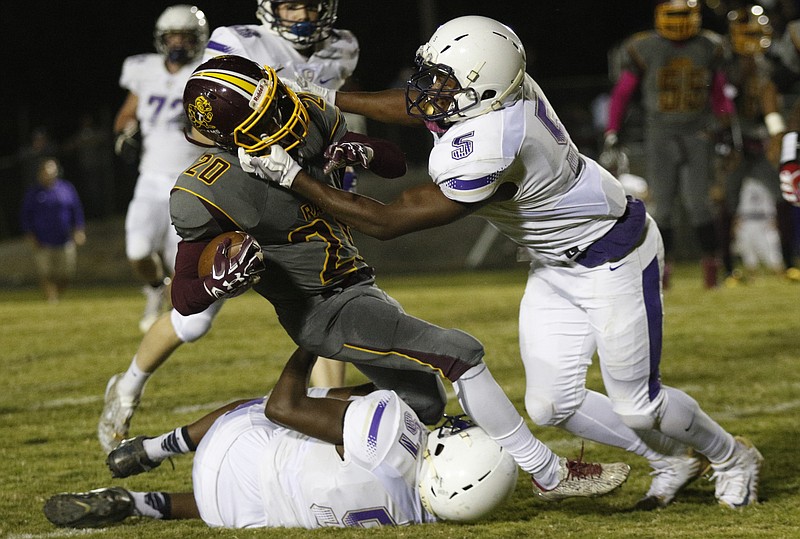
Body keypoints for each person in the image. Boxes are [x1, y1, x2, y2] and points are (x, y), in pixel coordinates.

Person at [258, 15, 764, 509]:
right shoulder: (499, 88)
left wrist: (295, 179)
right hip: (554, 262)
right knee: (552, 405)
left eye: (442, 79)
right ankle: (671, 460)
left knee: (639, 405)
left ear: (480, 91)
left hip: (612, 257)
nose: (428, 88)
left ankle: (732, 456)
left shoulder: (494, 141)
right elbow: (424, 107)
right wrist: (329, 97)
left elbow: (390, 220)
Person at [151, 54, 630, 502]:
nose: (286, 117)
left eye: (278, 100)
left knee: (422, 403)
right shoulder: (207, 189)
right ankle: (549, 473)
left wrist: (361, 152)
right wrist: (219, 282)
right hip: (324, 309)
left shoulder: (305, 118)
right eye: (268, 118)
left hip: (359, 285)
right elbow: (184, 296)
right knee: (461, 353)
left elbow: (393, 163)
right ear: (230, 137)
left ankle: (285, 411)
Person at [98, 2, 359, 451]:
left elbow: (338, 112)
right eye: (292, 5)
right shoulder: (240, 41)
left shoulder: (343, 47)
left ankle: (323, 416)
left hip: (305, 193)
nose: (303, 15)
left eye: (311, 4)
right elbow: (210, 111)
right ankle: (126, 388)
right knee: (193, 320)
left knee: (327, 309)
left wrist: (344, 151)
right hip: (242, 189)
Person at [44, 348, 519, 529]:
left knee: (267, 412)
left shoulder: (396, 433)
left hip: (232, 450)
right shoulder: (425, 517)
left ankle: (158, 447)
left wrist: (311, 341)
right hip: (231, 516)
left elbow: (282, 406)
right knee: (273, 491)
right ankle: (142, 503)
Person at [603, 0, 734, 289]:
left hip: (698, 133)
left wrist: (727, 128)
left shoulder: (710, 46)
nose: (679, 20)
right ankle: (662, 271)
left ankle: (712, 270)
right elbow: (623, 92)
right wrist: (612, 127)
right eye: (673, 14)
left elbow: (719, 93)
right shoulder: (644, 46)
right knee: (662, 207)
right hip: (661, 134)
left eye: (684, 13)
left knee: (699, 205)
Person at [112, 4, 210, 334]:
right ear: (161, 40)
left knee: (179, 261)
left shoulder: (206, 71)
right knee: (138, 251)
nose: (178, 43)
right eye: (172, 36)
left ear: (199, 39)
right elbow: (125, 117)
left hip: (191, 182)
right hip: (151, 179)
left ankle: (174, 323)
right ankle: (155, 288)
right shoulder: (146, 70)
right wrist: (128, 132)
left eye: (185, 36)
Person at [719, 5, 796, 287]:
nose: (751, 39)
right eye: (745, 33)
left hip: (765, 141)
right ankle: (727, 268)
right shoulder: (724, 63)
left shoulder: (776, 62)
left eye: (755, 33)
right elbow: (720, 102)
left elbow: (780, 98)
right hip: (736, 144)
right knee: (726, 204)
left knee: (783, 199)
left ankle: (789, 263)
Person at [19, 157, 86, 303]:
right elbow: (25, 216)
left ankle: (56, 296)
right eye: (46, 171)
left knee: (66, 273)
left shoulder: (66, 188)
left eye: (52, 170)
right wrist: (30, 236)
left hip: (64, 239)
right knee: (46, 273)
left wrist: (79, 230)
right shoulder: (34, 193)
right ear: (40, 173)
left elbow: (76, 210)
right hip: (43, 240)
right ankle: (51, 299)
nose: (49, 174)